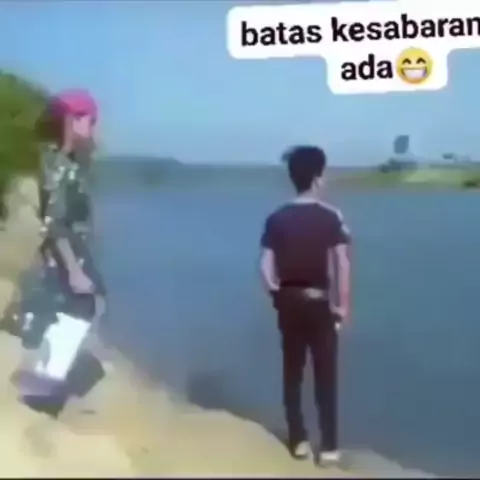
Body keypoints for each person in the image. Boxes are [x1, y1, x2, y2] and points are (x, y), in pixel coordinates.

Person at [259, 145, 352, 466]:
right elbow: (341, 264)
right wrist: (342, 306)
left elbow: (265, 265)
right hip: (319, 302)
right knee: (325, 374)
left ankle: (298, 440)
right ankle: (329, 448)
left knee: (293, 371)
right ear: (317, 177)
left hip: (288, 301)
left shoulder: (276, 218)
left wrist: (275, 292)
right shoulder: (331, 216)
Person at [12, 90, 108, 397]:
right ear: (73, 120)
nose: (94, 128)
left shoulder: (67, 162)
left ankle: (42, 375)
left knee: (70, 307)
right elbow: (54, 222)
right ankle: (44, 381)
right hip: (66, 251)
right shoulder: (59, 165)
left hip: (69, 249)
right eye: (90, 121)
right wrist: (74, 270)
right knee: (81, 306)